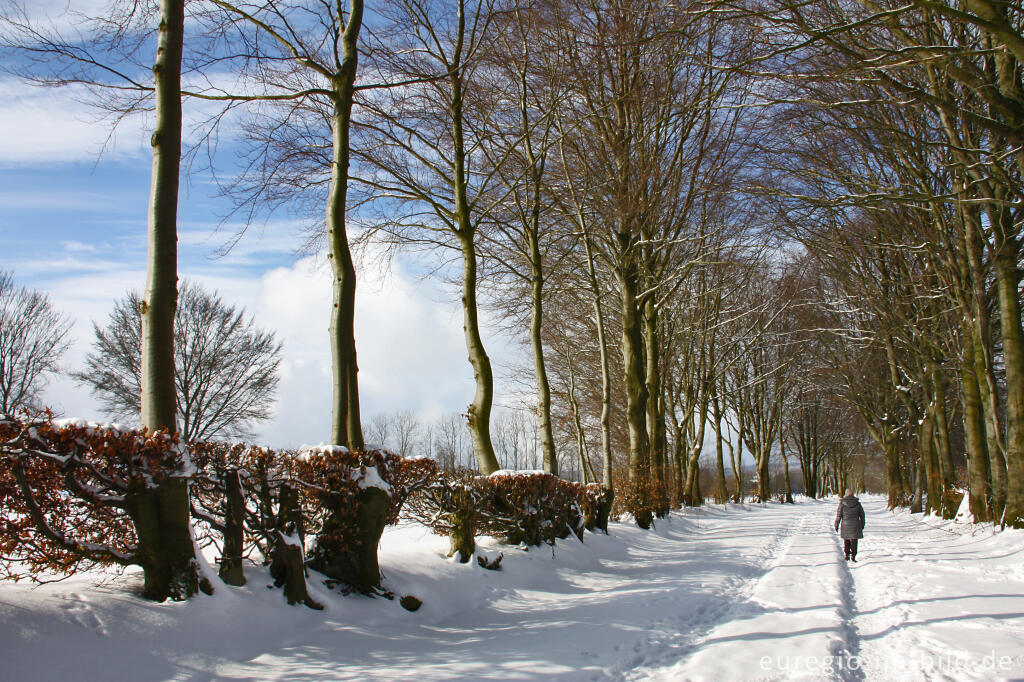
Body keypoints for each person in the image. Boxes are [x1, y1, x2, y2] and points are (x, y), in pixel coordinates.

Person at [834, 488, 865, 561]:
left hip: (845, 524)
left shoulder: (842, 503)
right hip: (855, 524)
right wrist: (862, 524)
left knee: (846, 539)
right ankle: (853, 556)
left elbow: (839, 515)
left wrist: (836, 525)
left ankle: (847, 554)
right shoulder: (857, 503)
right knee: (854, 540)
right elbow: (862, 515)